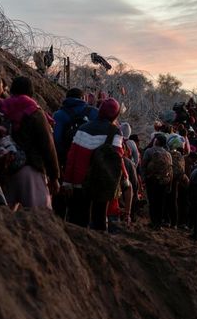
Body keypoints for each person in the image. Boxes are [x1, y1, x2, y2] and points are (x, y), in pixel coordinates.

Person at [62, 98, 128, 231]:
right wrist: (125, 178)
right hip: (101, 182)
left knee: (78, 221)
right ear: (115, 115)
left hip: (78, 181)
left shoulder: (82, 128)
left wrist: (67, 181)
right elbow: (117, 157)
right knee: (99, 220)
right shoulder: (115, 132)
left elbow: (72, 156)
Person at [0, 76, 60, 208]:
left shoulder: (1, 107)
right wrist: (54, 176)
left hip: (5, 168)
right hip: (30, 169)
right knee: (40, 217)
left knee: (3, 216)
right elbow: (47, 146)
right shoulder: (35, 112)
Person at [52, 88, 98, 167]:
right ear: (83, 98)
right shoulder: (94, 112)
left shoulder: (58, 115)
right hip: (90, 161)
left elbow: (57, 139)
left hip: (67, 160)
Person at [142, 133, 173, 229]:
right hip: (164, 181)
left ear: (157, 141)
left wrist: (144, 177)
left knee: (152, 201)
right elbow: (170, 170)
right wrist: (169, 183)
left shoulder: (149, 151)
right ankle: (159, 223)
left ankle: (153, 221)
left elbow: (143, 165)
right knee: (161, 202)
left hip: (152, 180)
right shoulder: (168, 154)